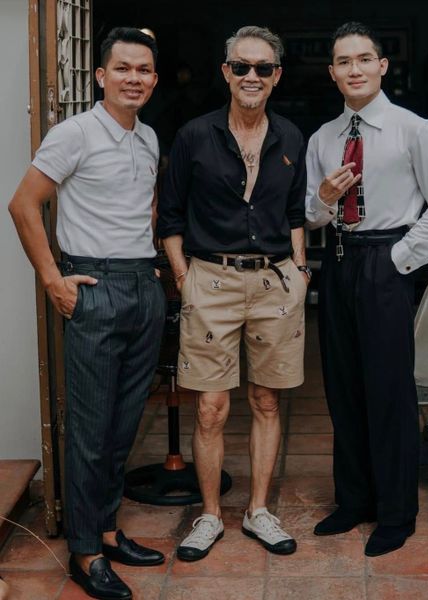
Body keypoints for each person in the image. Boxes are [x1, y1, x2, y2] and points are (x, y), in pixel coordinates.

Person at [8, 27, 166, 600]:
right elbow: (23, 204)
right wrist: (54, 280)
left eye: (143, 70)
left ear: (154, 79)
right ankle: (84, 552)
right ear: (101, 75)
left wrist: (147, 265)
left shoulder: (148, 137)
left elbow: (142, 206)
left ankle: (107, 530)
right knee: (90, 432)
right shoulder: (74, 132)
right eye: (122, 68)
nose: (133, 79)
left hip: (141, 287)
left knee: (123, 427)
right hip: (93, 288)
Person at [305, 22, 428, 557]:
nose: (355, 69)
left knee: (389, 391)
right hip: (338, 259)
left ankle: (396, 513)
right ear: (332, 72)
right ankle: (353, 501)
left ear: (382, 66)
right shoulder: (323, 138)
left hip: (386, 260)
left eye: (364, 59)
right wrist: (324, 199)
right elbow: (309, 215)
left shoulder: (414, 130)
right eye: (344, 61)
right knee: (342, 385)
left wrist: (400, 258)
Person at [158, 25, 308, 560]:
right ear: (225, 72)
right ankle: (208, 515)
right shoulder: (194, 135)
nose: (251, 76)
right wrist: (184, 278)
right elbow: (170, 216)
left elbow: (295, 212)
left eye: (262, 68)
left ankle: (258, 510)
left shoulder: (291, 137)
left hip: (275, 282)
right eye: (241, 66)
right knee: (210, 408)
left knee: (267, 399)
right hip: (210, 280)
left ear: (276, 76)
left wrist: (301, 271)